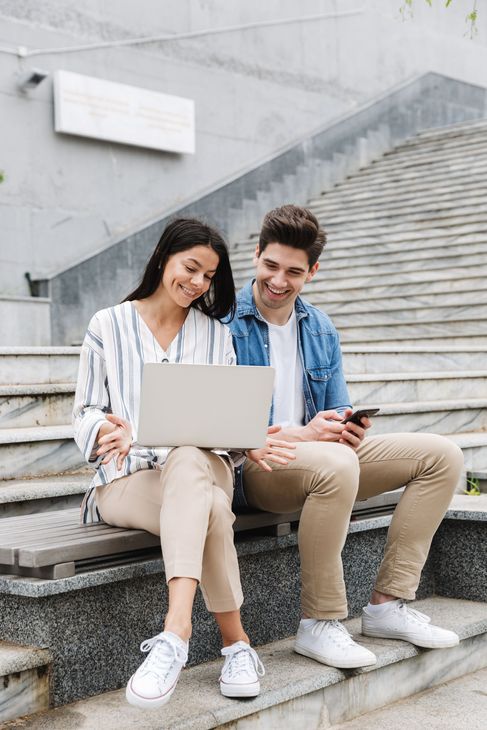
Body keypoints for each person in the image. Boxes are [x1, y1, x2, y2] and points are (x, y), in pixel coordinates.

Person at [228, 204, 465, 669]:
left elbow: (335, 408)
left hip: (321, 458)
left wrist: (346, 428)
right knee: (335, 465)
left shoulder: (319, 327)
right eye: (270, 265)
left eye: (293, 272)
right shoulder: (221, 322)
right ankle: (319, 622)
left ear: (312, 272)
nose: (279, 280)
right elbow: (222, 430)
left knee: (443, 456)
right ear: (256, 255)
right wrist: (304, 436)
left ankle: (387, 605)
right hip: (256, 465)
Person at [72, 218, 293, 710]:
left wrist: (247, 440)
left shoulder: (216, 336)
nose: (197, 283)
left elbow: (228, 423)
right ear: (163, 258)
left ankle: (174, 635)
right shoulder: (107, 325)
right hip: (129, 479)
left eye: (208, 276)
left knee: (192, 459)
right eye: (190, 268)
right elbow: (84, 412)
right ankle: (237, 644)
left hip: (203, 466)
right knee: (211, 510)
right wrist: (110, 430)